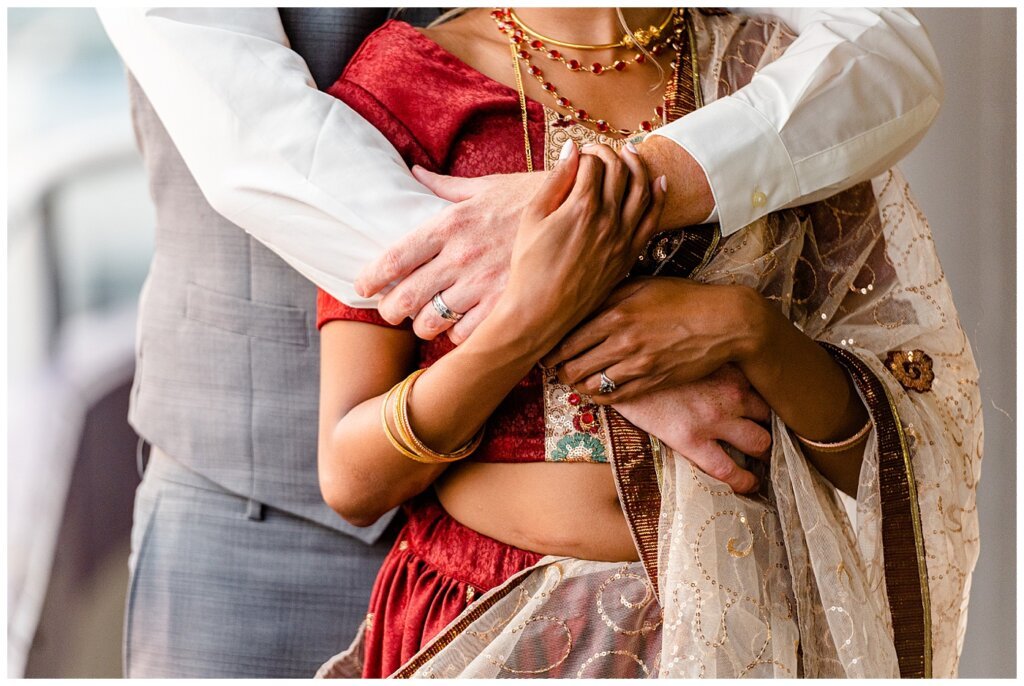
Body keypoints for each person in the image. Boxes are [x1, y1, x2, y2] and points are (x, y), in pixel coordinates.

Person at [97, 5, 948, 679]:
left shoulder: (750, 66)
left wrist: (737, 325)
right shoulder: (406, 85)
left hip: (732, 606)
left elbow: (879, 54)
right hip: (320, 536)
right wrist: (569, 317)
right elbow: (243, 122)